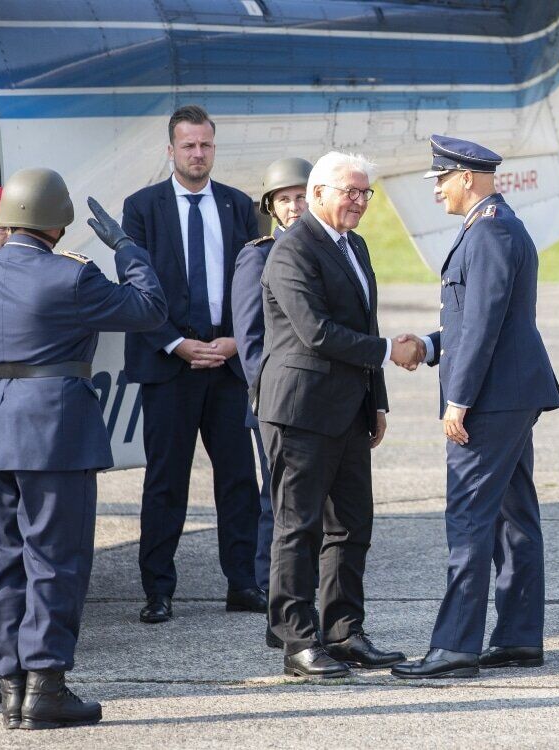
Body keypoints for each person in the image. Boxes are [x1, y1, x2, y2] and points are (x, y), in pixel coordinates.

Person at [0, 168, 168, 730]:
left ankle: (10, 689)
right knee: (55, 562)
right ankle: (47, 690)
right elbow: (149, 309)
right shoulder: (73, 279)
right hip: (57, 439)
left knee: (2, 564)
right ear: (57, 224)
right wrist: (129, 248)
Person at [391, 135, 559, 680]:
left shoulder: (489, 231)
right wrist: (430, 344)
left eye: (441, 179)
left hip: (489, 402)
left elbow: (486, 324)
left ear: (467, 177)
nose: (437, 190)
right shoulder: (494, 224)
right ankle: (516, 637)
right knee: (514, 518)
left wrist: (457, 400)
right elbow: (473, 320)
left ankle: (455, 646)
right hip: (510, 395)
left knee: (469, 517)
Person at [258, 151, 421, 678]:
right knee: (297, 527)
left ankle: (344, 632)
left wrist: (376, 401)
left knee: (351, 527)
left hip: (349, 410)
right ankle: (296, 641)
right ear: (318, 193)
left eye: (365, 193)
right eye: (349, 191)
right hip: (301, 411)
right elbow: (317, 332)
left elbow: (363, 317)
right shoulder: (291, 250)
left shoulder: (355, 246)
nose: (358, 201)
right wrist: (384, 353)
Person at [122, 104, 265, 625]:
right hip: (171, 367)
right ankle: (158, 590)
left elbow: (255, 283)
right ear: (171, 150)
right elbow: (134, 286)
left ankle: (243, 583)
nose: (197, 154)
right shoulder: (141, 208)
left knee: (238, 479)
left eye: (205, 145)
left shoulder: (238, 206)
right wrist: (175, 343)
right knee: (166, 482)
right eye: (188, 146)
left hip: (227, 365)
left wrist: (235, 342)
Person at [231, 157, 312, 649]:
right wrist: (271, 394)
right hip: (277, 402)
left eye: (302, 196)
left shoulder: (327, 250)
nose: (295, 205)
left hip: (322, 404)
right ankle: (271, 594)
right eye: (285, 198)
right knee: (279, 503)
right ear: (271, 207)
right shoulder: (257, 257)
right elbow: (251, 339)